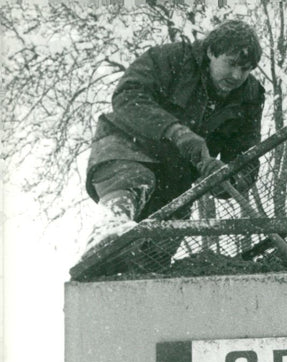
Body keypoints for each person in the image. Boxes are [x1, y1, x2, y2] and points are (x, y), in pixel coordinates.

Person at [83, 19, 265, 253]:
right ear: (211, 52)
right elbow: (127, 96)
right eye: (231, 64)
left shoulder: (249, 96)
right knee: (135, 179)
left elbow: (246, 155)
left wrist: (229, 179)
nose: (237, 75)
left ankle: (142, 266)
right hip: (127, 148)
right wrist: (174, 131)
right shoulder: (170, 59)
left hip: (176, 176)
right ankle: (109, 229)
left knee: (163, 240)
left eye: (246, 69)